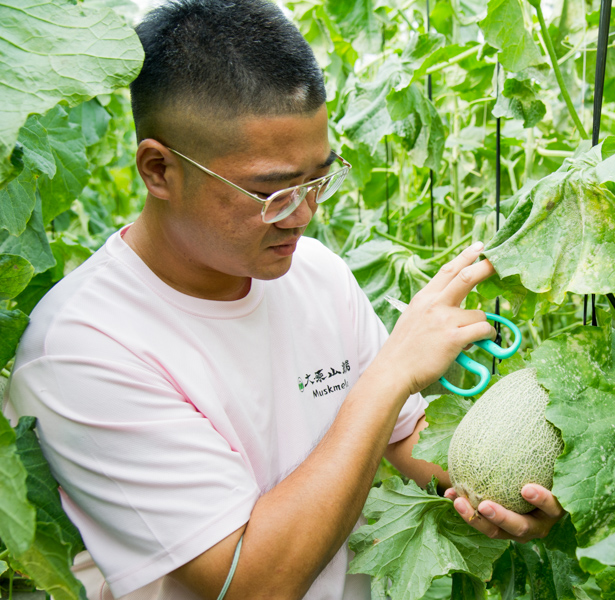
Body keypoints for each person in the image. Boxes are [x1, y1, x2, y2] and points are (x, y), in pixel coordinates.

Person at [3, 1, 564, 598]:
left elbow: (405, 438)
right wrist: (392, 371)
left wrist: (504, 489)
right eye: (270, 192)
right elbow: (251, 582)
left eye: (318, 179)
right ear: (159, 169)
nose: (302, 215)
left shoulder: (315, 272)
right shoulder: (82, 348)